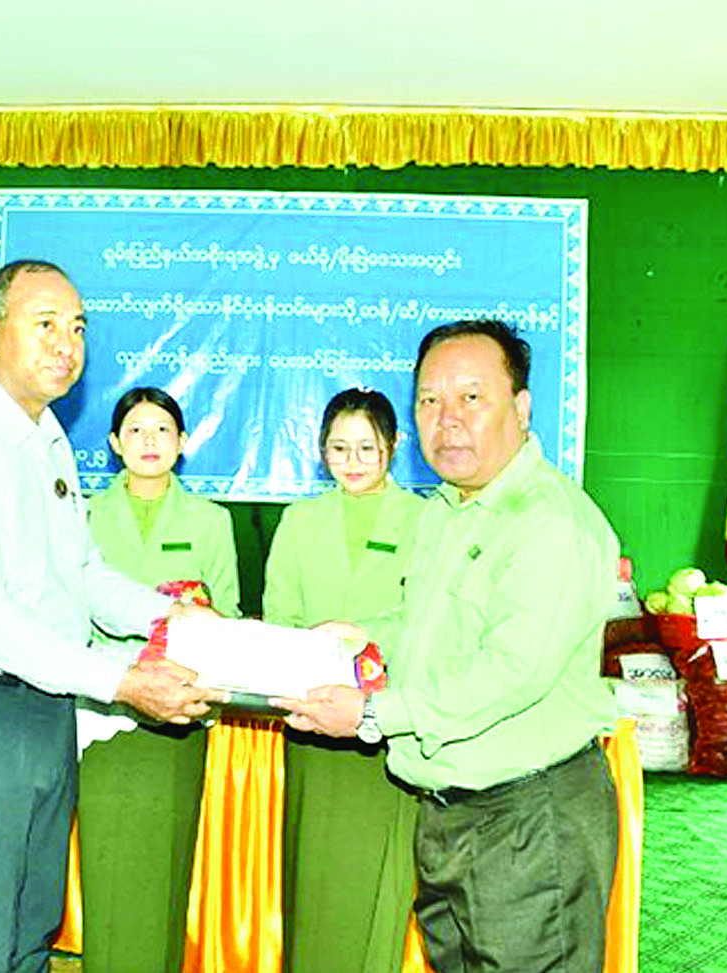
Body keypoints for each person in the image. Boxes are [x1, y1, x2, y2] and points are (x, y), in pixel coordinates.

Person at [0, 259, 226, 973]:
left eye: (76, 328)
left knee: (32, 928)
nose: (65, 345)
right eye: (44, 324)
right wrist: (122, 681)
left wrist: (178, 618)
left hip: (46, 712)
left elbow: (83, 575)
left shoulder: (48, 442)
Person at [276, 320, 620, 973]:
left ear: (521, 407)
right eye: (430, 400)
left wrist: (372, 714)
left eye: (471, 397)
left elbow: (511, 670)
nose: (448, 419)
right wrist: (363, 634)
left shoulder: (549, 522)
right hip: (448, 813)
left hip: (527, 815)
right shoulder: (446, 510)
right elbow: (429, 625)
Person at [262, 387, 424, 973]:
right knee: (314, 880)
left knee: (375, 884)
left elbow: (426, 618)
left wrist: (363, 634)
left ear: (394, 446)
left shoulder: (426, 520)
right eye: (338, 448)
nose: (352, 461)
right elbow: (279, 615)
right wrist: (312, 653)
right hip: (311, 718)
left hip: (386, 726)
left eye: (366, 448)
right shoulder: (299, 520)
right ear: (320, 449)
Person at [79, 387, 240, 973]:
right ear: (114, 443)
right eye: (136, 430)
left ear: (183, 442)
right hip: (101, 709)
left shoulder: (212, 521)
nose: (150, 442)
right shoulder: (83, 515)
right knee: (106, 864)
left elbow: (229, 617)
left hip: (178, 711)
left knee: (164, 868)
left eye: (163, 430)